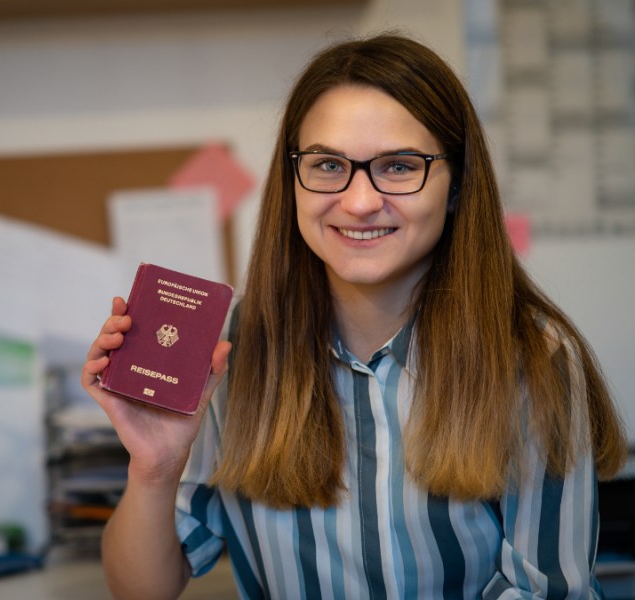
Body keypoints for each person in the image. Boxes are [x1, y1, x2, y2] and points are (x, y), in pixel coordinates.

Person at [82, 32, 627, 599]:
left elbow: (547, 591)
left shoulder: (532, 355)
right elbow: (142, 591)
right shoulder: (231, 348)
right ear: (293, 179)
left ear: (457, 183)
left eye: (397, 166)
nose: (361, 201)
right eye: (327, 165)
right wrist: (153, 467)